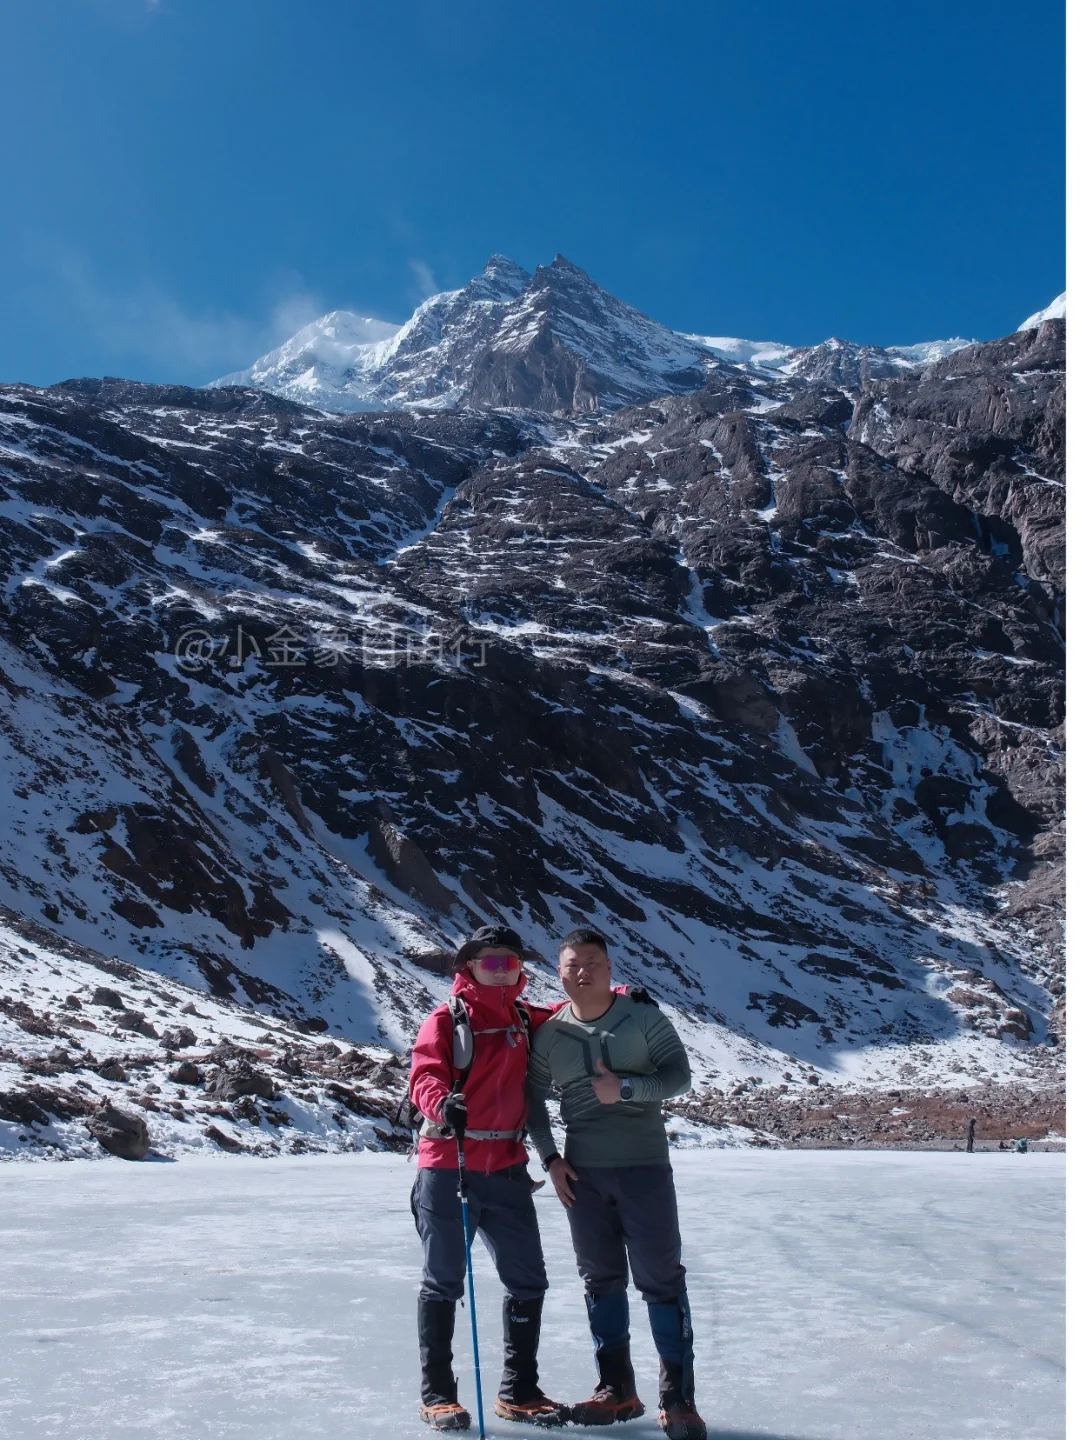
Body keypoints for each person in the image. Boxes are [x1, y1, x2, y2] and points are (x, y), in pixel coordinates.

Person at [527, 928, 707, 1440]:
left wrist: (626, 1088)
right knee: (600, 1280)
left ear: (608, 968)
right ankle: (616, 1390)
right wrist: (551, 1158)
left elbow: (679, 1077)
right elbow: (532, 1100)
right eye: (571, 964)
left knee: (661, 1280)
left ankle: (679, 1400)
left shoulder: (642, 1018)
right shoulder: (549, 1035)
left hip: (644, 1170)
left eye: (591, 962)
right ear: (558, 973)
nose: (581, 971)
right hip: (583, 1177)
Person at [408, 924, 568, 1431]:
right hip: (448, 1163)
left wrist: (622, 994)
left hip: (507, 1167)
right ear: (469, 966)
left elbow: (573, 1014)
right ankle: (438, 1395)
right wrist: (441, 1103)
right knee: (444, 1282)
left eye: (511, 963)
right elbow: (425, 1074)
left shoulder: (525, 1016)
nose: (501, 971)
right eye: (491, 962)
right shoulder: (447, 1017)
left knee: (528, 1279)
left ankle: (518, 1390)